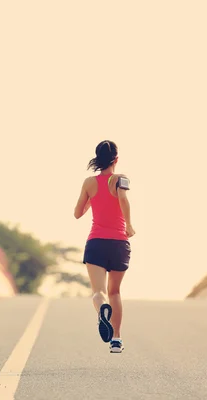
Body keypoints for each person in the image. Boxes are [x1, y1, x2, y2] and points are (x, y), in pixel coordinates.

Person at [73, 140, 135, 354]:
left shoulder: (89, 182)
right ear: (116, 159)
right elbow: (124, 200)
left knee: (99, 292)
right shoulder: (121, 179)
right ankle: (116, 340)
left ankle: (102, 311)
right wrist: (128, 225)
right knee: (115, 292)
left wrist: (92, 197)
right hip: (119, 243)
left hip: (96, 243)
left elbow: (77, 213)